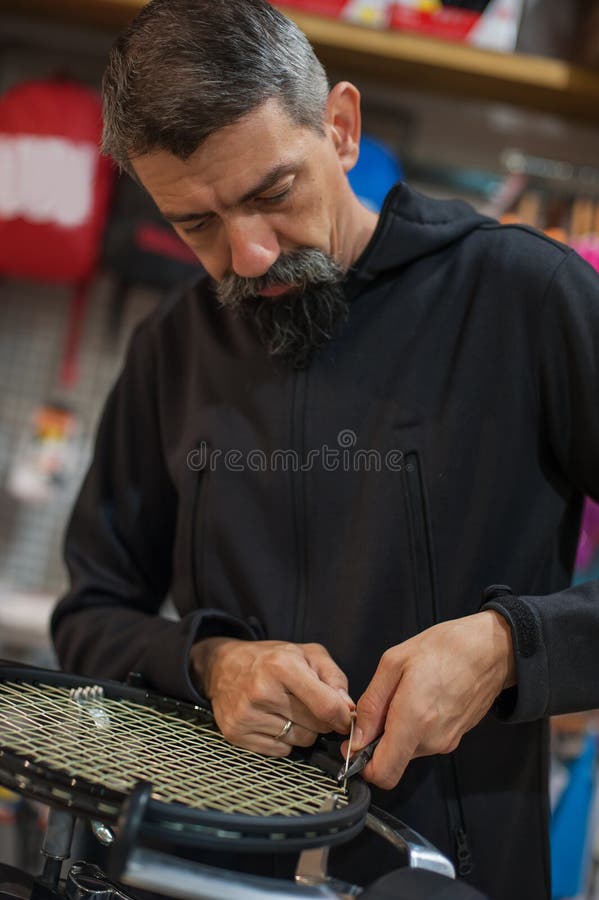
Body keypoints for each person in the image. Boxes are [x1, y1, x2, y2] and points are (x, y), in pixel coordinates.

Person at [51, 1, 599, 898]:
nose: (250, 253)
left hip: (444, 878)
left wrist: (510, 646)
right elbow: (91, 615)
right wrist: (209, 662)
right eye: (196, 224)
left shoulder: (523, 299)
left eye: (272, 193)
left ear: (340, 128)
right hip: (197, 874)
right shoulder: (170, 348)